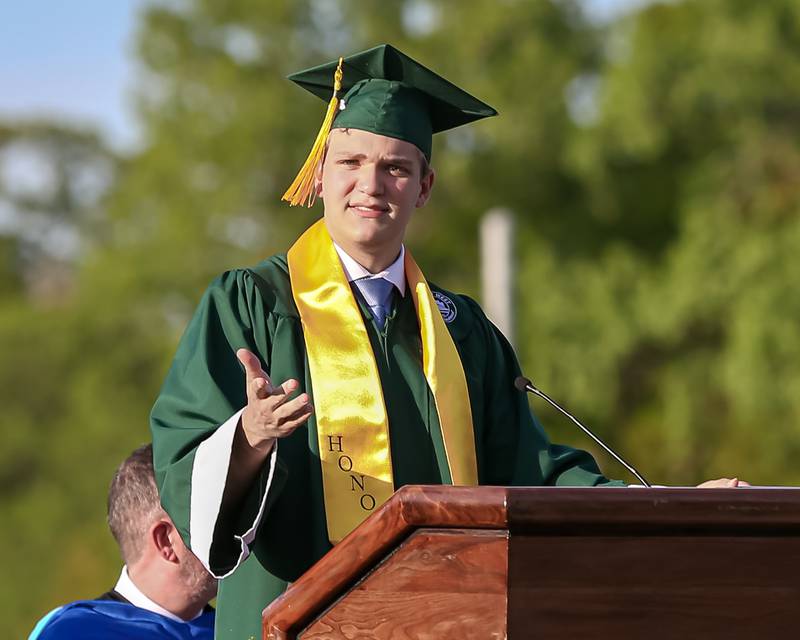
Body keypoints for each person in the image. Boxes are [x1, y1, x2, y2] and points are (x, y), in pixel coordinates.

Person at [149, 44, 742, 640]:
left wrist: (668, 506)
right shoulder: (253, 305)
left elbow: (532, 472)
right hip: (294, 623)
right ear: (320, 173)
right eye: (350, 162)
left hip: (440, 623)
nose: (370, 185)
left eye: (396, 168)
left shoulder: (462, 332)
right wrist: (247, 439)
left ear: (424, 186)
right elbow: (180, 464)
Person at [29, 444, 217, 640]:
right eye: (218, 517)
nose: (243, 534)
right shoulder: (71, 632)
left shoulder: (239, 629)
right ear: (166, 541)